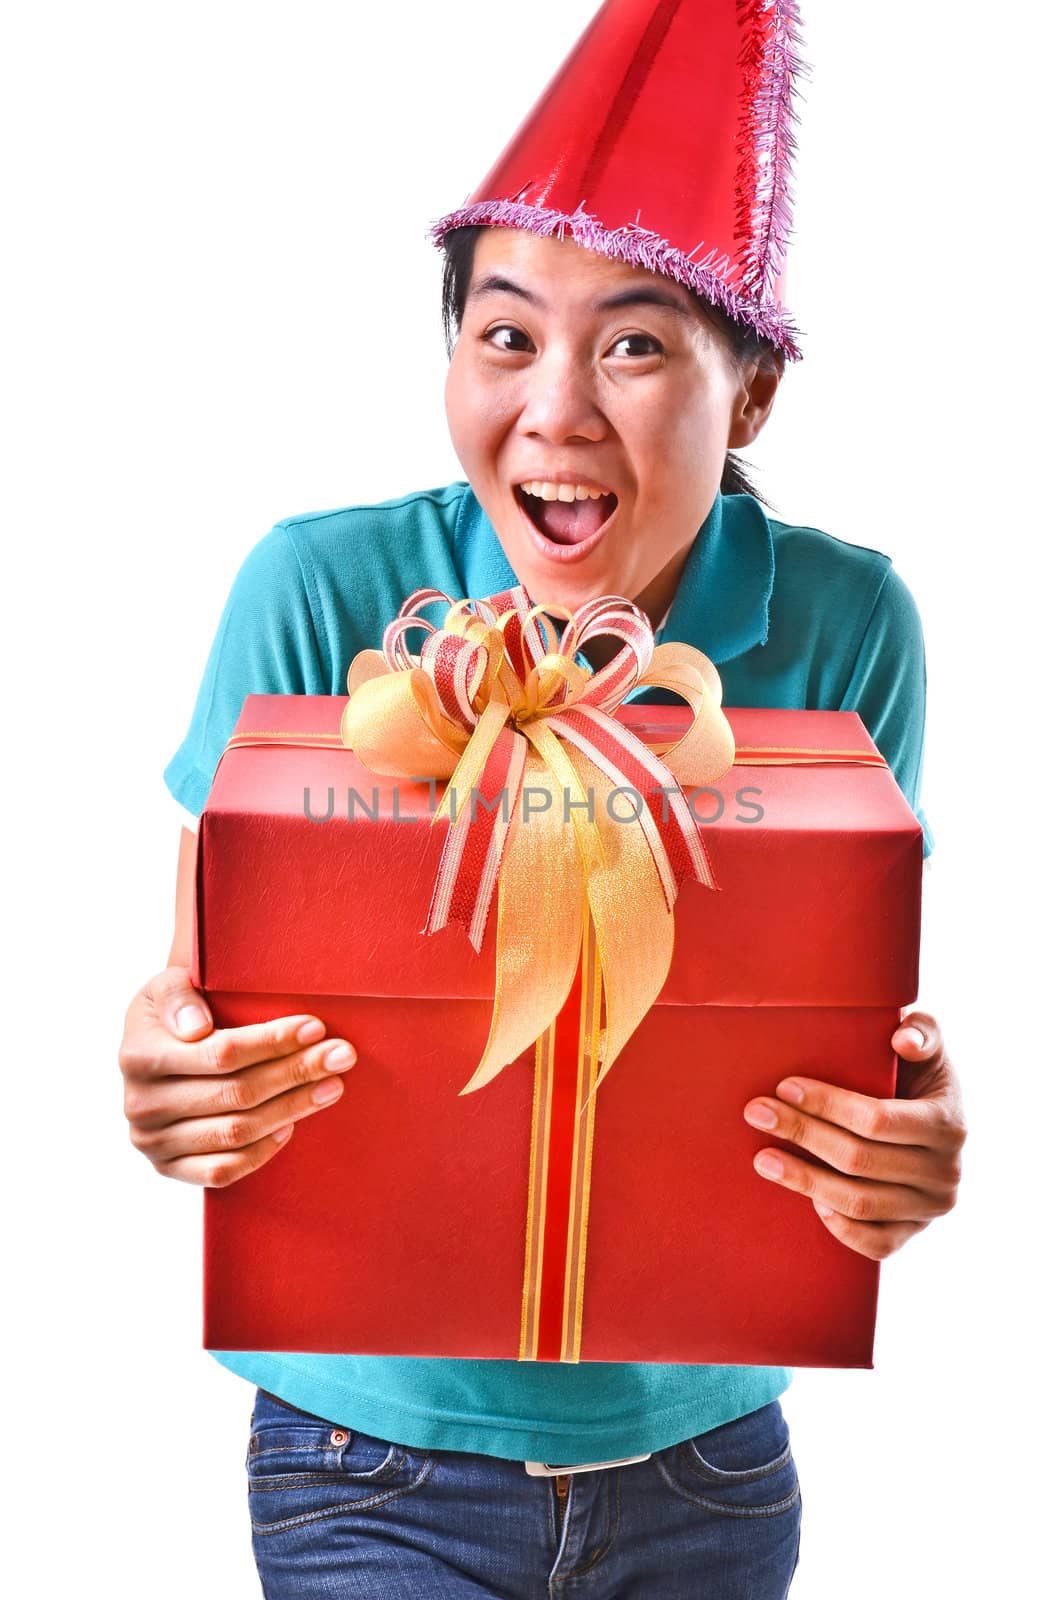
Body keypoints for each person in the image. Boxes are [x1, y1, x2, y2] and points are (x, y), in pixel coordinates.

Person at [119, 4, 967, 1595]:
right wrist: (175, 1083)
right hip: (365, 1462)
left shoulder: (852, 631)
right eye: (505, 335)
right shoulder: (320, 593)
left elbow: (849, 1023)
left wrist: (906, 1142)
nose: (559, 409)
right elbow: (199, 1004)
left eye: (636, 342)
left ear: (758, 389)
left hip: (710, 1466)